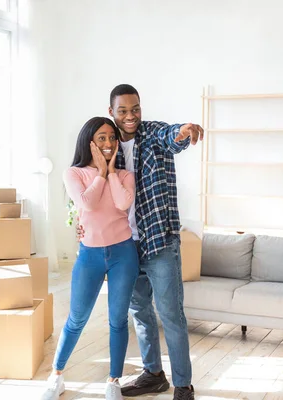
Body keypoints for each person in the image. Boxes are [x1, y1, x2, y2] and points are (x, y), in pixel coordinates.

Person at [78, 84, 203, 400]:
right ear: (112, 112)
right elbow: (88, 191)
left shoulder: (153, 134)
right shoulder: (107, 147)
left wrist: (184, 132)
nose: (130, 116)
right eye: (123, 111)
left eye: (135, 109)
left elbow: (171, 137)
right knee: (141, 314)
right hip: (124, 246)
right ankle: (153, 375)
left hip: (159, 241)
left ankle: (183, 385)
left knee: (171, 314)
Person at [41, 116, 140, 400]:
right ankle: (56, 376)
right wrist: (100, 173)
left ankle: (113, 381)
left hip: (123, 253)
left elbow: (122, 203)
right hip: (90, 255)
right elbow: (87, 202)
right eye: (101, 138)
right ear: (90, 143)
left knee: (118, 320)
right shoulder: (73, 173)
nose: (108, 143)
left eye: (112, 137)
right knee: (76, 318)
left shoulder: (124, 175)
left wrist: (110, 172)